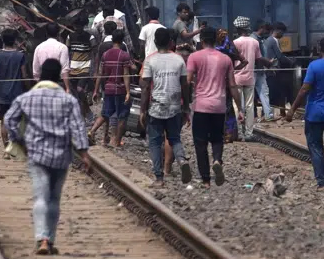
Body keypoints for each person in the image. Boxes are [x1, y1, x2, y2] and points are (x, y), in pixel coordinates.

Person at [3, 58, 91, 255]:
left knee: (40, 197)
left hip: (36, 154)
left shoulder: (27, 98)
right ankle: (49, 240)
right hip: (61, 155)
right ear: (59, 77)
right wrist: (84, 155)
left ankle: (41, 239)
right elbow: (78, 129)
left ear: (41, 75)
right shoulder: (69, 101)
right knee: (54, 198)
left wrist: (20, 140)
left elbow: (9, 119)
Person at [285, 36, 324, 189]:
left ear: (319, 49)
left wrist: (292, 109)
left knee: (315, 147)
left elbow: (304, 89)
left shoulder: (314, 66)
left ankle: (322, 182)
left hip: (314, 113)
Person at [187, 27, 242, 187]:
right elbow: (232, 86)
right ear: (216, 40)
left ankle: (206, 180)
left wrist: (184, 100)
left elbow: (188, 80)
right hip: (219, 106)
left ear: (202, 40)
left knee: (200, 142)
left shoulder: (194, 57)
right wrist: (240, 108)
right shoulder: (225, 59)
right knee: (217, 139)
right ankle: (217, 160)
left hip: (201, 106)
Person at [140, 28, 192, 186]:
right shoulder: (179, 59)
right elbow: (185, 85)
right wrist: (186, 107)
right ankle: (182, 160)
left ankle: (159, 177)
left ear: (155, 43)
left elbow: (146, 87)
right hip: (175, 105)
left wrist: (143, 110)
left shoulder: (150, 60)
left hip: (156, 107)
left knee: (155, 142)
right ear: (171, 42)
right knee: (174, 138)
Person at [88, 30, 133, 147]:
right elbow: (126, 74)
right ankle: (116, 142)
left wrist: (95, 90)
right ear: (122, 40)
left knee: (105, 113)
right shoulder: (124, 55)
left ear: (112, 39)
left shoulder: (105, 54)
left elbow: (100, 73)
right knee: (122, 116)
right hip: (120, 89)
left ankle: (91, 131)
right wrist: (128, 92)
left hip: (108, 89)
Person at [0, 29, 28, 155]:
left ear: (3, 41)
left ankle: (6, 149)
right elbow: (24, 75)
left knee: (3, 122)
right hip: (17, 93)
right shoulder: (20, 56)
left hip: (1, 94)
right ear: (15, 41)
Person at [232, 16, 261, 139]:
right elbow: (258, 58)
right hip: (250, 77)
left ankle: (238, 132)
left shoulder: (235, 42)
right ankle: (249, 133)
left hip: (237, 77)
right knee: (250, 106)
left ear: (238, 29)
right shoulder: (255, 42)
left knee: (237, 105)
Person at [66, 17, 94, 119]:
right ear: (74, 27)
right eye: (77, 26)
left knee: (80, 90)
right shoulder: (70, 37)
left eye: (80, 26)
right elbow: (67, 51)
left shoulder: (90, 37)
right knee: (75, 93)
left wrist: (92, 67)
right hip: (72, 67)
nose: (79, 28)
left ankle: (85, 114)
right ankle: (84, 112)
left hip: (85, 67)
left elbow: (94, 51)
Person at [263, 22, 292, 118]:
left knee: (272, 92)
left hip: (269, 69)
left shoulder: (268, 40)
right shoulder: (273, 40)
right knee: (276, 92)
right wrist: (291, 61)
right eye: (282, 32)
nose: (283, 35)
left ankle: (270, 113)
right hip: (273, 70)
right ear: (278, 31)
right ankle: (269, 114)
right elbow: (280, 56)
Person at [32, 22, 69, 91]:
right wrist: (67, 88)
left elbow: (35, 72)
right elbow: (64, 70)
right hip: (58, 84)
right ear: (58, 33)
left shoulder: (39, 48)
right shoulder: (63, 47)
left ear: (46, 33)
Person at [250, 21, 274, 122]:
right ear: (262, 28)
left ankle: (268, 114)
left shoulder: (259, 39)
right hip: (254, 69)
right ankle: (252, 116)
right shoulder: (254, 39)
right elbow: (257, 56)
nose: (267, 33)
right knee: (252, 94)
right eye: (267, 30)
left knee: (263, 92)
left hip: (259, 70)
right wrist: (268, 62)